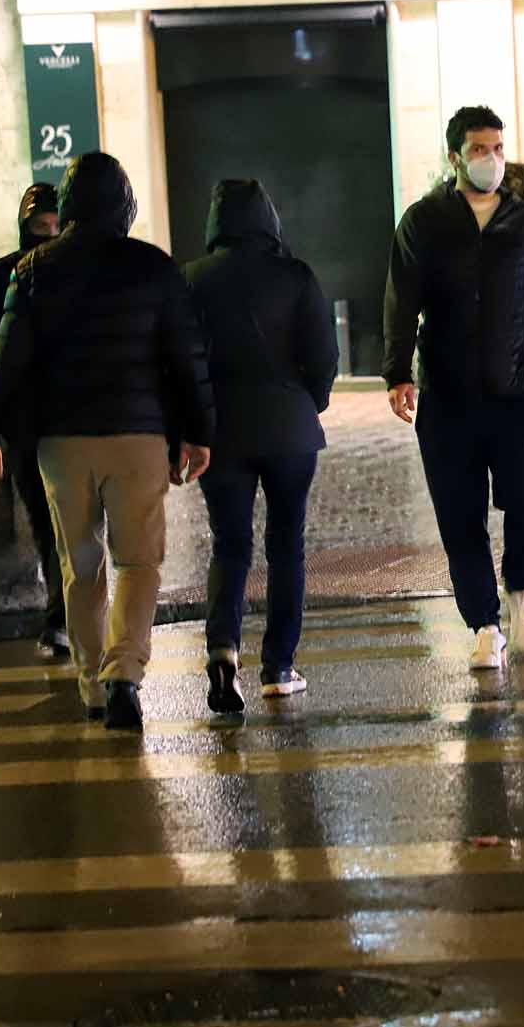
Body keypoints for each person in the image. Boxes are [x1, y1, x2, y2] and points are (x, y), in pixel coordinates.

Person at [0, 151, 214, 732]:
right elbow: (186, 359)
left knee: (79, 563)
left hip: (61, 441)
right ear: (125, 205)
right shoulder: (153, 268)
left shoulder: (33, 270)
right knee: (138, 561)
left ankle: (91, 685)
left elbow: (3, 360)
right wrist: (198, 432)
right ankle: (123, 670)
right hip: (137, 436)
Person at [382, 106, 524, 671]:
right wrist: (397, 372)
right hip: (447, 396)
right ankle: (483, 623)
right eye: (478, 150)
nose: (492, 159)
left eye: (497, 148)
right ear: (454, 158)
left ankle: (522, 591)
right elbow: (400, 301)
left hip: (519, 392)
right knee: (459, 515)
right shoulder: (424, 222)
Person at [183, 179, 338, 710]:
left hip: (221, 432)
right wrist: (305, 402)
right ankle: (279, 666)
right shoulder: (294, 275)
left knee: (230, 543)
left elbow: (183, 362)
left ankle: (223, 646)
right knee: (285, 543)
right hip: (289, 429)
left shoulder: (193, 281)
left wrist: (191, 424)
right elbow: (323, 355)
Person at [0, 182, 65, 660]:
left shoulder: (61, 270)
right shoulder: (3, 275)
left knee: (73, 520)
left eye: (54, 226)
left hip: (65, 416)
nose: (47, 236)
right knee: (48, 520)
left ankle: (68, 616)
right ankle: (65, 615)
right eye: (39, 228)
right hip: (30, 420)